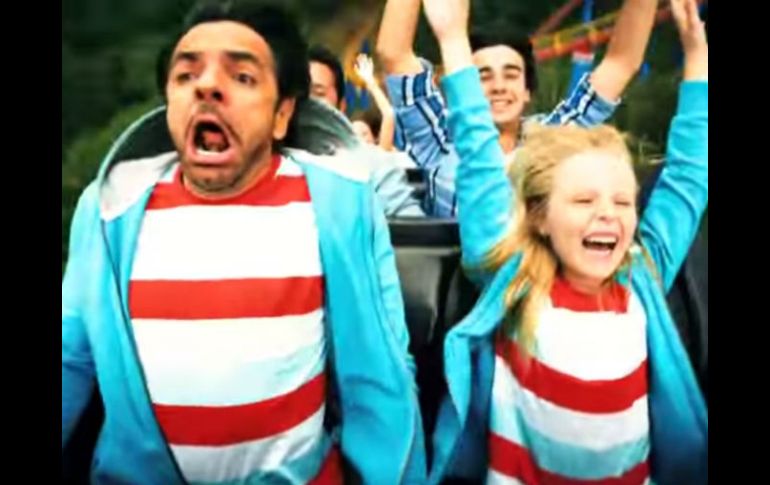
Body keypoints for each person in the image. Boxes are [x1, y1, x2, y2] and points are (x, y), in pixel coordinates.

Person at [61, 1, 426, 483]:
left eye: (242, 76)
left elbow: (380, 370)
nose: (207, 86)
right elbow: (71, 357)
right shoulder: (110, 209)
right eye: (186, 75)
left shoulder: (339, 204)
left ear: (282, 114)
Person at [422, 0, 708, 482]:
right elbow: (478, 154)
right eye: (583, 200)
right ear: (539, 216)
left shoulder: (642, 275)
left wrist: (697, 58)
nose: (608, 214)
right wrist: (452, 40)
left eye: (623, 201)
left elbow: (688, 178)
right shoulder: (513, 280)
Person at [377, 0, 659, 217]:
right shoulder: (438, 138)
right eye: (483, 76)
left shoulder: (551, 139)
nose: (499, 87)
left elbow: (621, 64)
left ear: (527, 91)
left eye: (510, 75)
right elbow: (393, 54)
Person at [308, 45, 423, 215]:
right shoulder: (268, 165)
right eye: (297, 93)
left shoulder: (375, 169)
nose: (305, 103)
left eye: (318, 94)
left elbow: (410, 225)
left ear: (341, 107)